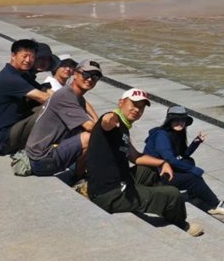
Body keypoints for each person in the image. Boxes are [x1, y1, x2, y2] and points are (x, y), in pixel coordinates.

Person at [85, 88, 204, 237]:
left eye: (141, 107)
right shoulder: (113, 121)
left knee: (148, 169)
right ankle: (181, 223)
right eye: (134, 104)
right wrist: (110, 118)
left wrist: (162, 163)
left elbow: (135, 156)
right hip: (110, 194)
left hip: (117, 182)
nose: (137, 110)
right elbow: (106, 122)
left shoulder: (123, 128)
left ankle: (155, 195)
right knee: (173, 194)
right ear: (121, 102)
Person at [144, 106, 224, 216]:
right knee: (193, 178)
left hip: (165, 170)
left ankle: (194, 193)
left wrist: (196, 142)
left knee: (188, 161)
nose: (180, 123)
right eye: (176, 120)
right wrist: (193, 170)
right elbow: (170, 159)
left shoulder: (176, 134)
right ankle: (215, 205)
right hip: (154, 177)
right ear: (169, 121)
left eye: (182, 120)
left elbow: (183, 155)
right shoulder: (161, 135)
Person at [25, 60, 102, 178]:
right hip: (41, 160)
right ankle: (79, 177)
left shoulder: (76, 97)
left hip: (45, 154)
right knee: (90, 137)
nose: (90, 79)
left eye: (95, 76)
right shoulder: (65, 96)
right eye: (86, 74)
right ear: (75, 74)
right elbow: (89, 127)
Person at [0, 39, 52, 155]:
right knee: (48, 109)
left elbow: (47, 92)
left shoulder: (20, 75)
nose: (28, 60)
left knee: (45, 107)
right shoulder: (10, 78)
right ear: (13, 55)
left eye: (32, 57)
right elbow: (45, 98)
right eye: (24, 56)